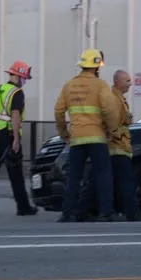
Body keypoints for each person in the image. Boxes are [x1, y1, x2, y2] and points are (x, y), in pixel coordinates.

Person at [55, 48, 120, 223]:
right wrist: (113, 131)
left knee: (74, 177)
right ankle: (106, 212)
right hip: (97, 138)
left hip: (76, 138)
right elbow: (109, 110)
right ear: (97, 65)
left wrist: (64, 134)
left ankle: (68, 213)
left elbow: (59, 111)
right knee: (103, 174)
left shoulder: (69, 85)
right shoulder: (101, 85)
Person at [0, 60, 38, 218]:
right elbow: (15, 115)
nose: (25, 81)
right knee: (16, 173)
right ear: (19, 76)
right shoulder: (16, 93)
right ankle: (23, 207)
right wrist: (16, 139)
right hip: (8, 135)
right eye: (24, 78)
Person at [77, 69, 139, 221]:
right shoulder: (114, 100)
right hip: (116, 148)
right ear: (117, 82)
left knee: (97, 181)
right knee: (126, 182)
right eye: (127, 81)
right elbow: (112, 125)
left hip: (114, 148)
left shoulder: (119, 99)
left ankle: (80, 212)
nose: (130, 84)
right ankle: (131, 213)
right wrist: (118, 135)